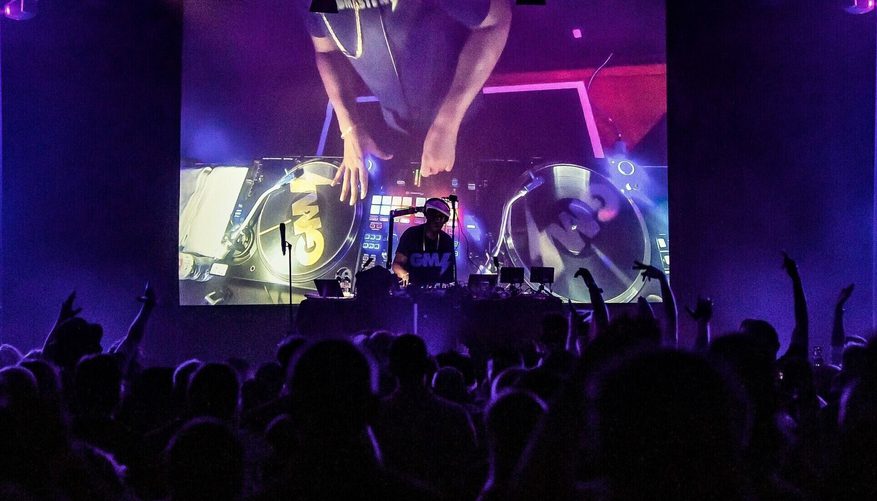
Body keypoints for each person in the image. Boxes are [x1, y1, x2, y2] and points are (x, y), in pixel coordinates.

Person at [302, 0, 513, 205]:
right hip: (391, 124)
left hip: (463, 118)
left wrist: (446, 124)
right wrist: (349, 127)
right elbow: (326, 50)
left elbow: (496, 21)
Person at [391, 197, 454, 286]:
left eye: (442, 218)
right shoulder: (411, 234)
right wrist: (403, 273)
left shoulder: (447, 241)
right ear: (427, 215)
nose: (437, 221)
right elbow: (397, 264)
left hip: (438, 291)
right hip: (412, 289)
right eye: (434, 216)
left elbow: (449, 276)